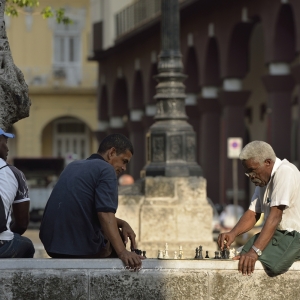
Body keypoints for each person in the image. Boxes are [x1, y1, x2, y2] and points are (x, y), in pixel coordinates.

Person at [39, 133, 143, 269]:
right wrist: (123, 252)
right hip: (78, 248)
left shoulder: (72, 166)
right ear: (112, 152)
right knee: (115, 239)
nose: (124, 168)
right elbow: (105, 214)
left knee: (112, 230)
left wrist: (123, 223)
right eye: (124, 161)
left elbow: (82, 210)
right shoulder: (106, 170)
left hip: (52, 245)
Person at [218, 140, 300, 276]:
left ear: (267, 162)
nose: (251, 176)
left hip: (293, 235)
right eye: (247, 172)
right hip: (276, 236)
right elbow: (252, 214)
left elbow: (275, 216)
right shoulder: (263, 182)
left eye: (253, 171)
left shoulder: (285, 172)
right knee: (242, 255)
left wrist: (255, 251)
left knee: (272, 265)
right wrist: (232, 233)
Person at [0, 128, 35, 258]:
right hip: (2, 245)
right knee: (27, 245)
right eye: (5, 142)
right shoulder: (14, 173)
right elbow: (22, 224)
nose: (7, 149)